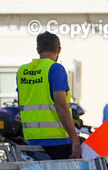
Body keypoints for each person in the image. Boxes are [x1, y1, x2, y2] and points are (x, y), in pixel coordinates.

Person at [16, 31, 82, 159]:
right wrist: (75, 140)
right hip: (57, 140)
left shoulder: (22, 71)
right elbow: (61, 106)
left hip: (32, 139)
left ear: (38, 50)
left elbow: (20, 104)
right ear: (59, 50)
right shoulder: (56, 69)